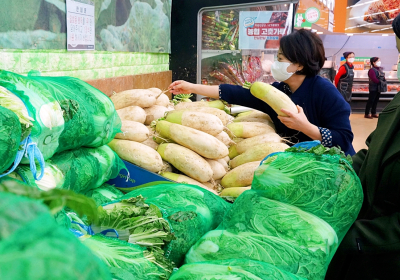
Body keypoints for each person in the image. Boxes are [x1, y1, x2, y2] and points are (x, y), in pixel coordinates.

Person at [169, 29, 356, 155]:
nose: (275, 63)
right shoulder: (280, 89)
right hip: (298, 163)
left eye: (280, 58)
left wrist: (304, 126)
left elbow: (344, 139)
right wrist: (192, 87)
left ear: (298, 65)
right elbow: (237, 93)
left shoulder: (324, 91)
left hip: (331, 169)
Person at [325, 13, 400, 280]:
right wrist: (329, 172)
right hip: (361, 243)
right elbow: (373, 150)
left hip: (383, 256)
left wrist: (355, 238)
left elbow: (342, 134)